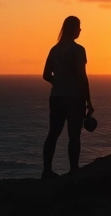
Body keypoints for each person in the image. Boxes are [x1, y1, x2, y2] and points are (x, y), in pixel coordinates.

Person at [42, 15, 93, 177]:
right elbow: (82, 76)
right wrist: (89, 101)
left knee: (53, 134)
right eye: (79, 27)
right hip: (74, 98)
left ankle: (47, 170)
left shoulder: (55, 49)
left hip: (57, 97)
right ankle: (73, 170)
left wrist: (59, 82)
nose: (80, 30)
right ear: (74, 29)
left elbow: (46, 75)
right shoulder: (78, 50)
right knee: (74, 136)